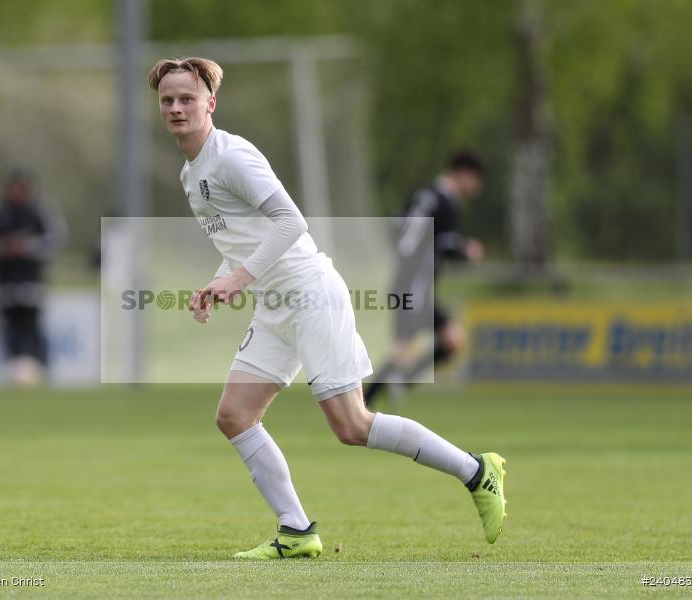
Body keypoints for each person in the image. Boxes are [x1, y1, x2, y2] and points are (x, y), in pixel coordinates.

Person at [148, 58, 506, 559]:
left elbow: (290, 222)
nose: (176, 108)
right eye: (167, 100)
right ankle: (296, 530)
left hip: (310, 294)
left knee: (352, 426)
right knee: (234, 415)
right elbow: (242, 241)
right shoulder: (192, 172)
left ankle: (476, 471)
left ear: (211, 103)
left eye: (187, 98)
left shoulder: (231, 157)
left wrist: (240, 278)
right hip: (275, 305)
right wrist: (218, 282)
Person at [364, 152, 486, 407]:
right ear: (463, 173)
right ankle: (364, 401)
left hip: (413, 284)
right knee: (402, 348)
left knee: (452, 340)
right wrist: (465, 249)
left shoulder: (425, 196)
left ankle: (399, 381)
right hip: (413, 286)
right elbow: (441, 243)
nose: (477, 186)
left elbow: (400, 224)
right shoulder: (444, 202)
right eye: (476, 179)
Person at [0, 170, 57, 386]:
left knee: (33, 328)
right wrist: (1, 248)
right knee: (9, 329)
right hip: (5, 284)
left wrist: (26, 246)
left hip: (31, 284)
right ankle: (14, 372)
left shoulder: (38, 212)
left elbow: (53, 241)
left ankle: (43, 370)